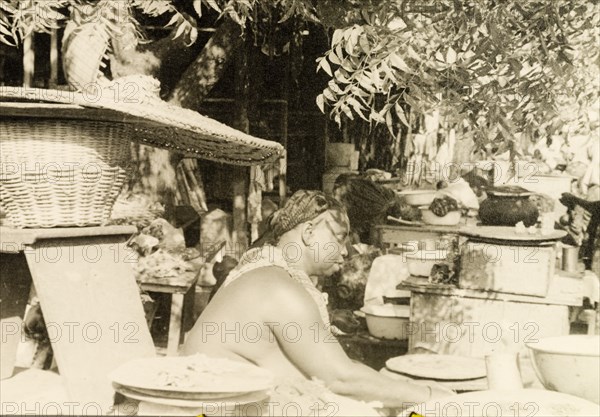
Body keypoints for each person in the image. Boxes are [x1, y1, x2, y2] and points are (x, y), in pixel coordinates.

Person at [183, 190, 454, 407]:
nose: (346, 251)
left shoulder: (265, 270)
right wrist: (433, 396)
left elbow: (330, 368)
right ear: (309, 233)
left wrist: (403, 390)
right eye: (338, 238)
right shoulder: (278, 287)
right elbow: (340, 379)